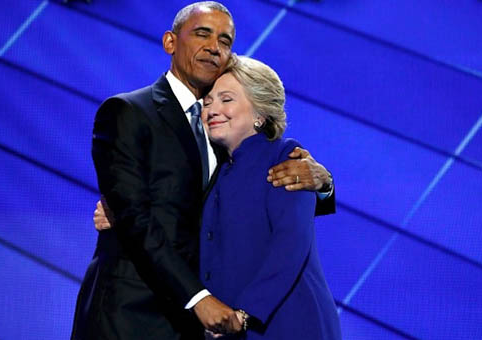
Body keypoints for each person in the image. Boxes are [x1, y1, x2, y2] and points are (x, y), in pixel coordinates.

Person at [73, 2, 335, 339]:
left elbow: (274, 208)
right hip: (133, 315)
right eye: (202, 34)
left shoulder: (229, 138)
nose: (214, 46)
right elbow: (134, 215)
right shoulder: (128, 112)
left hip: (207, 324)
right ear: (170, 42)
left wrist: (324, 183)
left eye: (225, 41)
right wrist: (199, 299)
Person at [199, 56, 341, 338]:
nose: (212, 109)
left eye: (226, 100)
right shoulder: (215, 170)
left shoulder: (286, 157)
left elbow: (291, 242)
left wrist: (245, 312)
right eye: (207, 102)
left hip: (287, 324)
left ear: (260, 114)